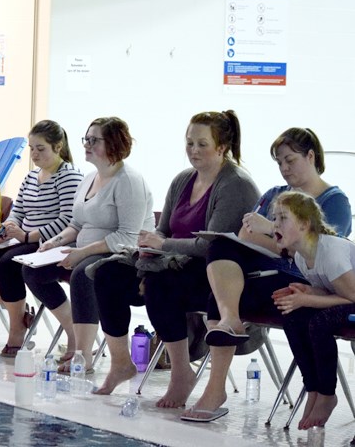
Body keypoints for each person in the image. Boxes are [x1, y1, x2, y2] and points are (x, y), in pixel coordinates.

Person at [183, 127, 352, 422]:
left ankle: (320, 391)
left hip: (303, 279)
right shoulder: (278, 198)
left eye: (290, 160)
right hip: (267, 273)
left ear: (311, 156)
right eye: (279, 163)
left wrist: (267, 232)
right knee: (220, 257)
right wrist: (275, 239)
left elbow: (315, 254)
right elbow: (245, 236)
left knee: (301, 314)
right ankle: (228, 329)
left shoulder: (332, 207)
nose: (284, 169)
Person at [92, 110, 259, 397]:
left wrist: (162, 248)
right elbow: (164, 230)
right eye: (189, 143)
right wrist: (150, 247)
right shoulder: (183, 180)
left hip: (215, 274)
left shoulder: (236, 185)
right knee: (108, 273)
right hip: (172, 263)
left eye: (202, 144)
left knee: (160, 284)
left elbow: (212, 246)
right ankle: (120, 363)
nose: (193, 150)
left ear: (222, 147)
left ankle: (181, 372)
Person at [24, 117, 154, 372]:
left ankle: (83, 355)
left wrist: (81, 252)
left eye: (94, 140)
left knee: (85, 272)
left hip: (124, 258)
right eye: (86, 139)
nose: (86, 144)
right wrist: (54, 242)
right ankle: (73, 330)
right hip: (86, 251)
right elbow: (77, 224)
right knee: (32, 269)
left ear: (114, 144)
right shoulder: (90, 178)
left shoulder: (128, 181)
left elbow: (127, 237)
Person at [0, 120, 84, 356]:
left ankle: (20, 328)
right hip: (24, 238)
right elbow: (18, 210)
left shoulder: (69, 177)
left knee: (8, 263)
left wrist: (29, 235)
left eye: (41, 149)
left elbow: (68, 221)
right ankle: (16, 314)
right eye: (32, 148)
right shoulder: (31, 176)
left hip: (53, 242)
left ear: (58, 147)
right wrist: (6, 227)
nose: (35, 155)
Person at [271, 191, 355, 430]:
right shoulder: (300, 257)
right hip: (346, 298)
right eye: (275, 218)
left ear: (305, 224)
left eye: (283, 218)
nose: (275, 224)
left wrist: (307, 300)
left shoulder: (331, 252)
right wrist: (307, 292)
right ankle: (314, 389)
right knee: (293, 317)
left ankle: (328, 394)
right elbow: (331, 293)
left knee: (319, 322)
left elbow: (352, 296)